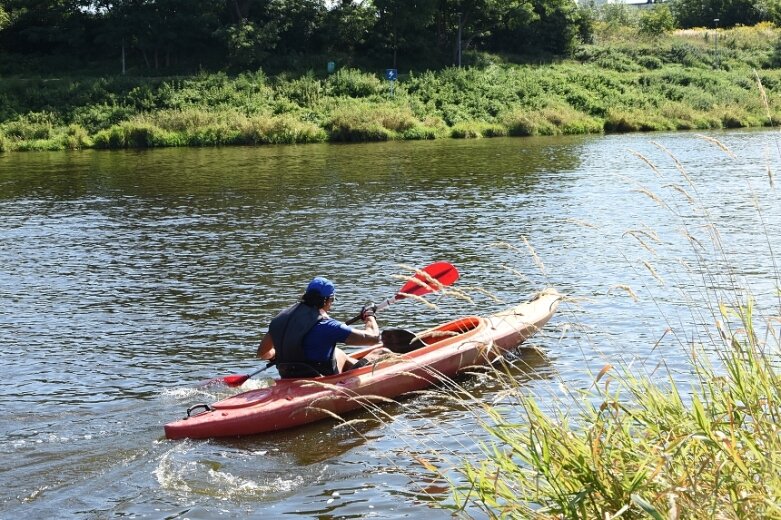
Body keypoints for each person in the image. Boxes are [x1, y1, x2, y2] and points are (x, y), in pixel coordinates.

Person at [257, 276, 390, 378]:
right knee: (383, 352)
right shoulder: (328, 325)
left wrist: (278, 355)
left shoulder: (280, 319)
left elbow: (262, 353)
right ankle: (366, 371)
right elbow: (373, 338)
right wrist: (370, 316)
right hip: (321, 380)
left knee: (337, 352)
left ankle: (358, 366)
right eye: (332, 301)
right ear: (326, 300)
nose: (331, 305)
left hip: (288, 376)